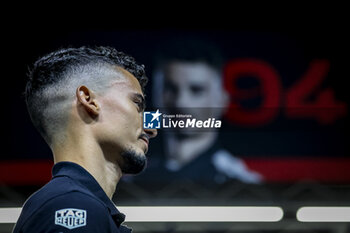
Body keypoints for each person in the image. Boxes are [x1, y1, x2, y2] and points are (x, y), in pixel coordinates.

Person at [13, 46, 157, 233]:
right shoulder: (73, 206)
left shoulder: (75, 205)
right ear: (89, 100)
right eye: (137, 104)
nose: (151, 128)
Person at [140, 37, 262, 186]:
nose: (181, 102)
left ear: (222, 100)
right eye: (170, 88)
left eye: (196, 90)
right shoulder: (130, 177)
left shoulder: (240, 185)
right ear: (155, 95)